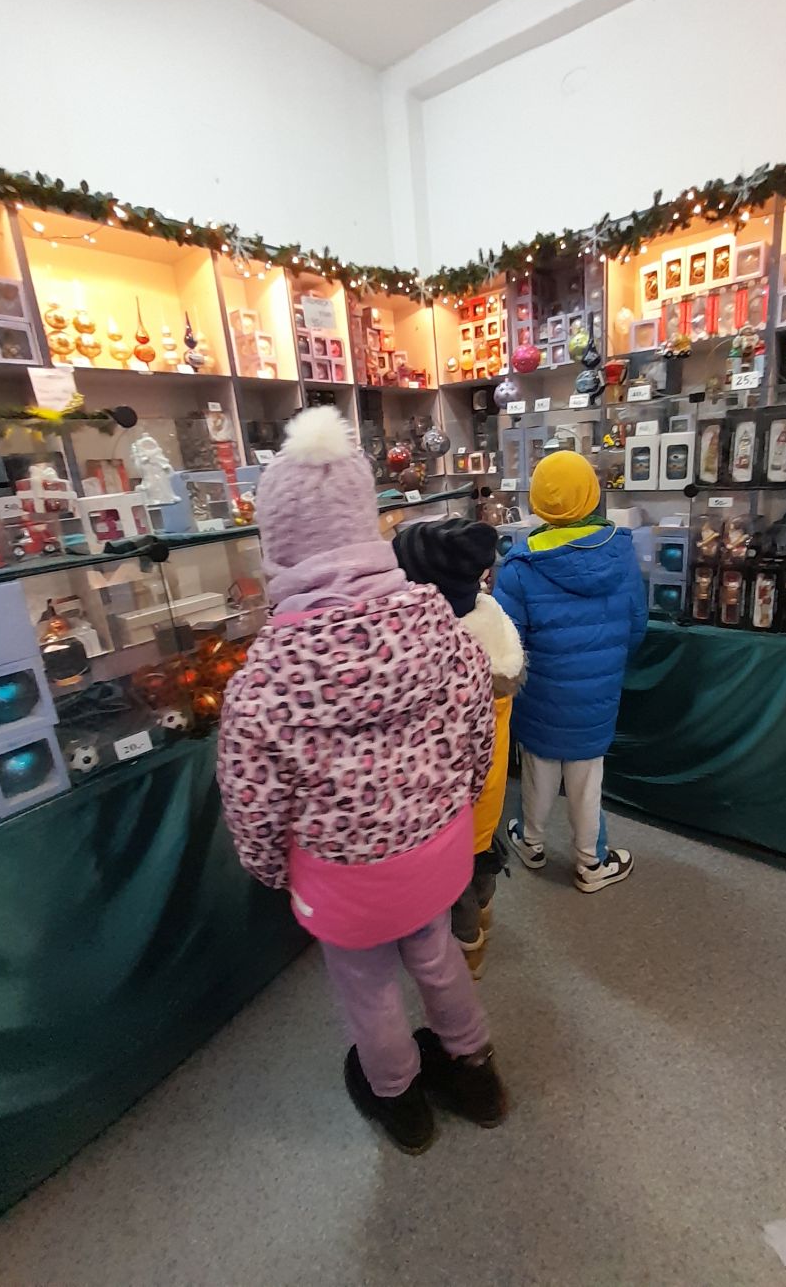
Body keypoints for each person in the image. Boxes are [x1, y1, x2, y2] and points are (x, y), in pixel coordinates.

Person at [217, 407, 506, 1155]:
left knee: (367, 986)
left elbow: (252, 804)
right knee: (437, 955)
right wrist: (454, 808)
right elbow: (478, 730)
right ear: (365, 520)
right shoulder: (440, 626)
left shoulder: (266, 677)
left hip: (343, 882)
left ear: (276, 541)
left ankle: (399, 1098)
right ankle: (475, 1071)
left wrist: (278, 872)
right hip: (436, 855)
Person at [493, 450, 648, 893]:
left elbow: (508, 644)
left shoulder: (521, 564)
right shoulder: (620, 551)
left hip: (540, 694)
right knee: (587, 778)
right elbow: (637, 626)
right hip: (598, 692)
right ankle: (591, 863)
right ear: (591, 493)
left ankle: (532, 843)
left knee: (538, 769)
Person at [393, 518, 525, 978]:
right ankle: (483, 914)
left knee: (456, 889)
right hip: (488, 791)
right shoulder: (491, 621)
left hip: (452, 804)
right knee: (482, 863)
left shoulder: (443, 651)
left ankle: (468, 953)